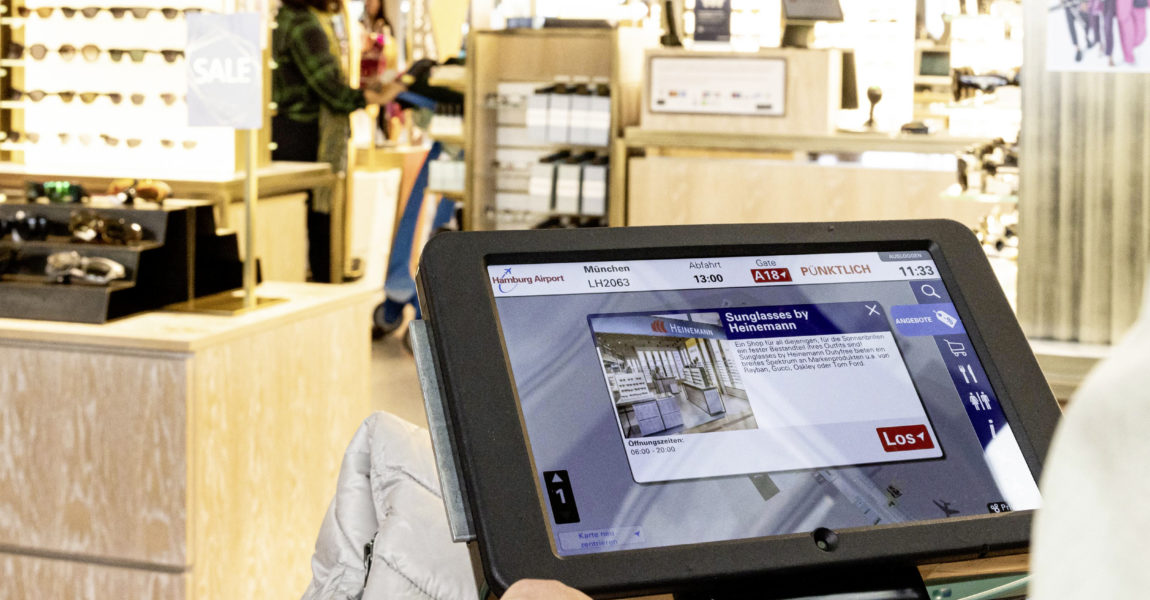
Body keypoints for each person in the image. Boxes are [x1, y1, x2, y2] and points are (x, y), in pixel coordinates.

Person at [271, 0, 402, 282]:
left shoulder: (300, 18)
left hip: (295, 131)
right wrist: (372, 96)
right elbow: (331, 89)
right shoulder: (304, 24)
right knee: (317, 214)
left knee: (312, 215)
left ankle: (321, 275)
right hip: (306, 133)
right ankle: (322, 278)